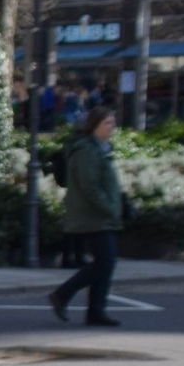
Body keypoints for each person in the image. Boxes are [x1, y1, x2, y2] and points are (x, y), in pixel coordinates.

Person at [51, 105, 125, 327]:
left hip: (100, 213)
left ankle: (96, 311)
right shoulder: (87, 150)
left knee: (106, 263)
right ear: (94, 126)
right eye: (107, 123)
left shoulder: (100, 147)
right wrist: (111, 208)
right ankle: (63, 294)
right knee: (105, 262)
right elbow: (89, 186)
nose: (112, 127)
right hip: (92, 214)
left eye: (113, 122)